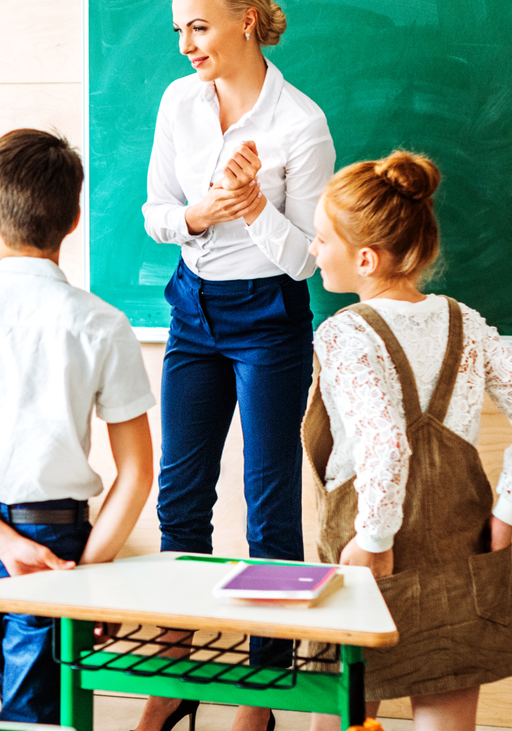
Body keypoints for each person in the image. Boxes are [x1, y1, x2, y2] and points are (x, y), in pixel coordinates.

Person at [0, 128, 156, 724]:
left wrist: (1, 543)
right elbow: (137, 472)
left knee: (26, 712)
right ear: (72, 221)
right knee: (38, 716)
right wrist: (88, 574)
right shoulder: (102, 325)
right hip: (58, 542)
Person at [305, 151, 512, 731]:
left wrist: (374, 539)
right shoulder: (465, 322)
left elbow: (386, 441)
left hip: (367, 547)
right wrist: (507, 514)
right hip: (459, 545)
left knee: (345, 713)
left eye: (322, 240)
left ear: (365, 258)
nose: (315, 251)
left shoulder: (345, 333)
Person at [138, 0, 336, 728]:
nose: (186, 45)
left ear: (247, 20)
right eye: (178, 31)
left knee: (269, 507)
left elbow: (307, 259)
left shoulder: (301, 125)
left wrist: (252, 206)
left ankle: (261, 692)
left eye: (199, 27)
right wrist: (200, 214)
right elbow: (155, 212)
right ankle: (173, 675)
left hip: (269, 319)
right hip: (191, 308)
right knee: (180, 498)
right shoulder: (177, 102)